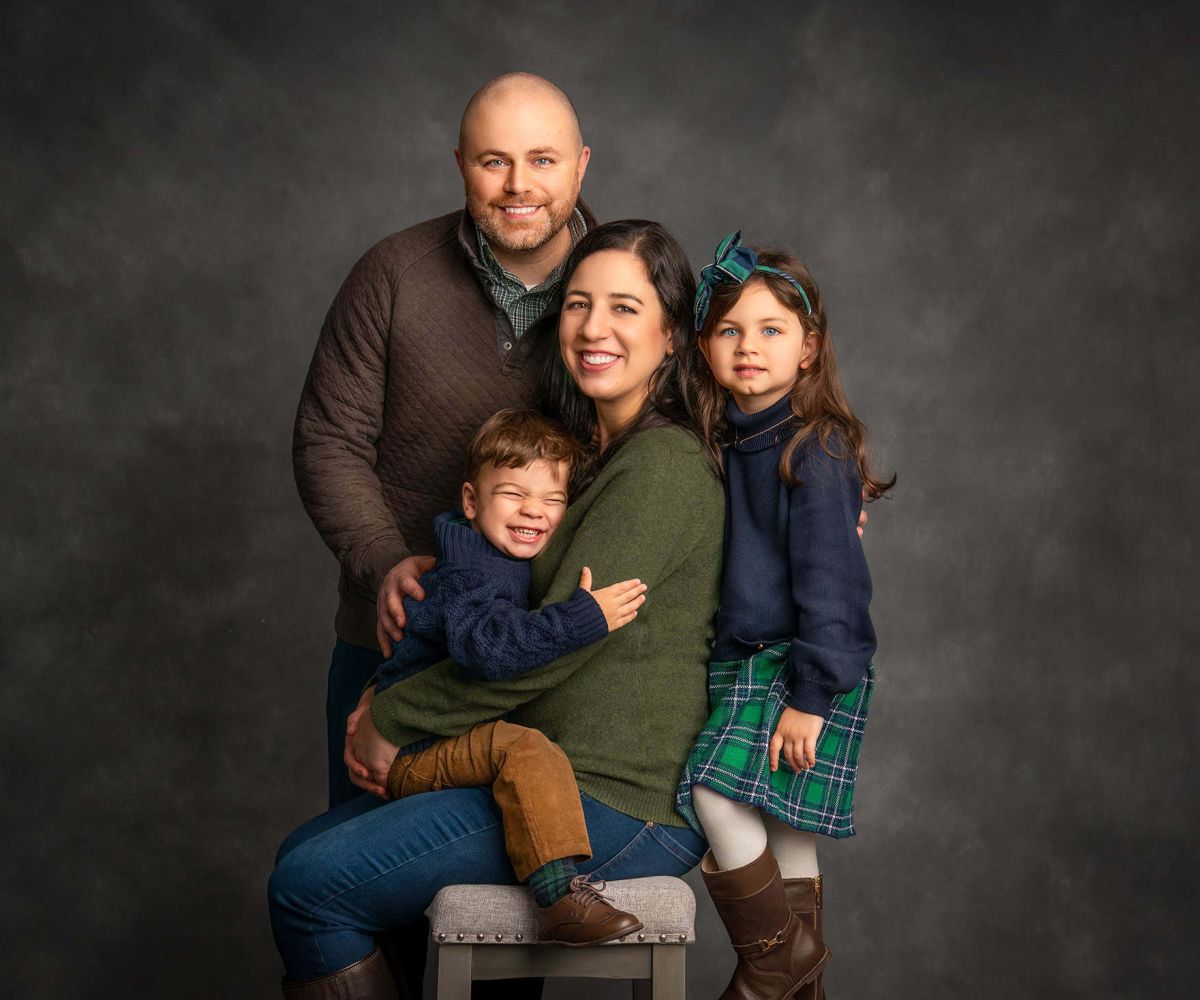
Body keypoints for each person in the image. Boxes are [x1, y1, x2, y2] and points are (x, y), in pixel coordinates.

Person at [269, 220, 726, 998]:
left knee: (307, 886)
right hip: (548, 772)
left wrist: (391, 718)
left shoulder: (661, 468)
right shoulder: (587, 456)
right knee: (300, 858)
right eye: (578, 304)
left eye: (624, 308)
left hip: (617, 800)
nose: (594, 328)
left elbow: (546, 649)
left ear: (673, 335)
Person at [293, 72, 595, 809]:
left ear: (581, 165)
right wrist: (384, 563)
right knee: (354, 866)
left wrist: (803, 495)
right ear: (461, 163)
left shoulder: (625, 288)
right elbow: (329, 439)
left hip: (556, 647)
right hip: (393, 639)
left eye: (543, 159)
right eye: (494, 161)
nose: (518, 184)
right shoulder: (394, 274)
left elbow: (691, 430)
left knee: (537, 864)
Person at [675, 232, 895, 1000]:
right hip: (748, 656)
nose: (748, 346)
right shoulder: (722, 440)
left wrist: (811, 695)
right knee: (784, 830)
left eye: (771, 329)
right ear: (702, 346)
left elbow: (834, 586)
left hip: (796, 662)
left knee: (713, 792)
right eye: (729, 330)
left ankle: (775, 963)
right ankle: (800, 983)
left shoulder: (815, 448)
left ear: (809, 349)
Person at [371, 407, 648, 945]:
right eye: (513, 494)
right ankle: (560, 898)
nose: (533, 511)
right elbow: (486, 650)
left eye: (552, 499)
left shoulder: (487, 555)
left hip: (436, 735)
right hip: (416, 746)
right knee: (525, 750)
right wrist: (579, 620)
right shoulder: (474, 571)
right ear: (471, 501)